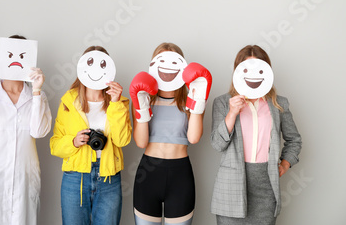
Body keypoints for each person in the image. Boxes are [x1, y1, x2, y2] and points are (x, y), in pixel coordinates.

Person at [210, 45, 302, 225]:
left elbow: (294, 140)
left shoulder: (279, 104)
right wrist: (232, 113)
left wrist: (285, 163)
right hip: (231, 188)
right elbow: (217, 144)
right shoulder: (223, 102)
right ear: (237, 71)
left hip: (266, 186)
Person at [0, 35, 52, 225]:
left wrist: (37, 91)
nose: (16, 60)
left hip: (24, 179)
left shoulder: (37, 97)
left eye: (23, 56)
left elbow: (38, 132)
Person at [131, 42, 212, 225]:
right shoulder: (143, 96)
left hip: (180, 174)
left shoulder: (191, 98)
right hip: (148, 174)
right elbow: (141, 142)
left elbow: (194, 138)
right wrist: (141, 107)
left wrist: (198, 102)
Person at [50, 46, 132, 225]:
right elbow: (55, 145)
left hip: (109, 176)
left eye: (102, 65)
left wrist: (116, 104)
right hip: (75, 177)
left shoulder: (120, 102)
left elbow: (122, 140)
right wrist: (73, 141)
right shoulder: (68, 102)